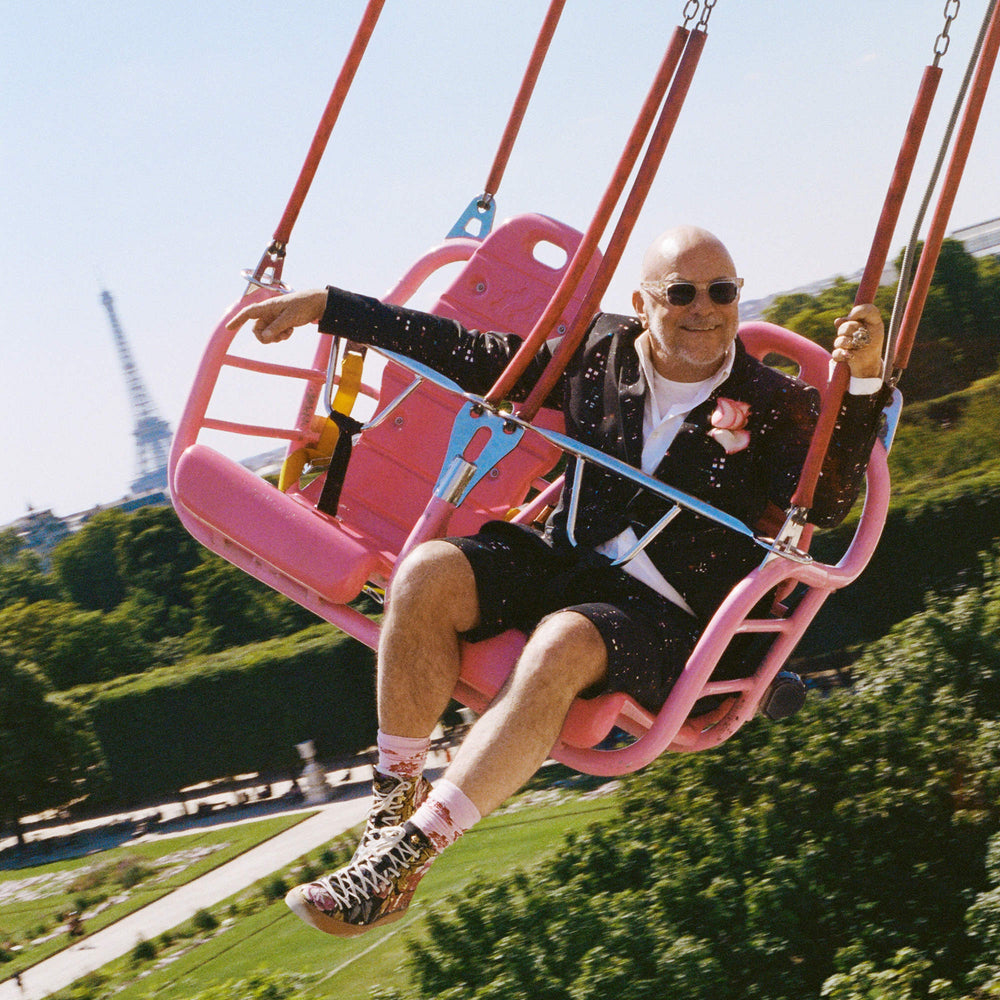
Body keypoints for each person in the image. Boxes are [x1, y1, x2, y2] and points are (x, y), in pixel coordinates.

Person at [227, 225, 890, 937]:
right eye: (682, 293)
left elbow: (821, 502)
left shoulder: (775, 401)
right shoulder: (599, 350)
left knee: (562, 644)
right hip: (565, 559)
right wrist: (332, 306)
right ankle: (389, 816)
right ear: (643, 303)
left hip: (668, 613)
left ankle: (407, 858)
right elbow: (468, 353)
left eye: (722, 291)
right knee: (426, 572)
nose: (706, 308)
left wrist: (864, 387)